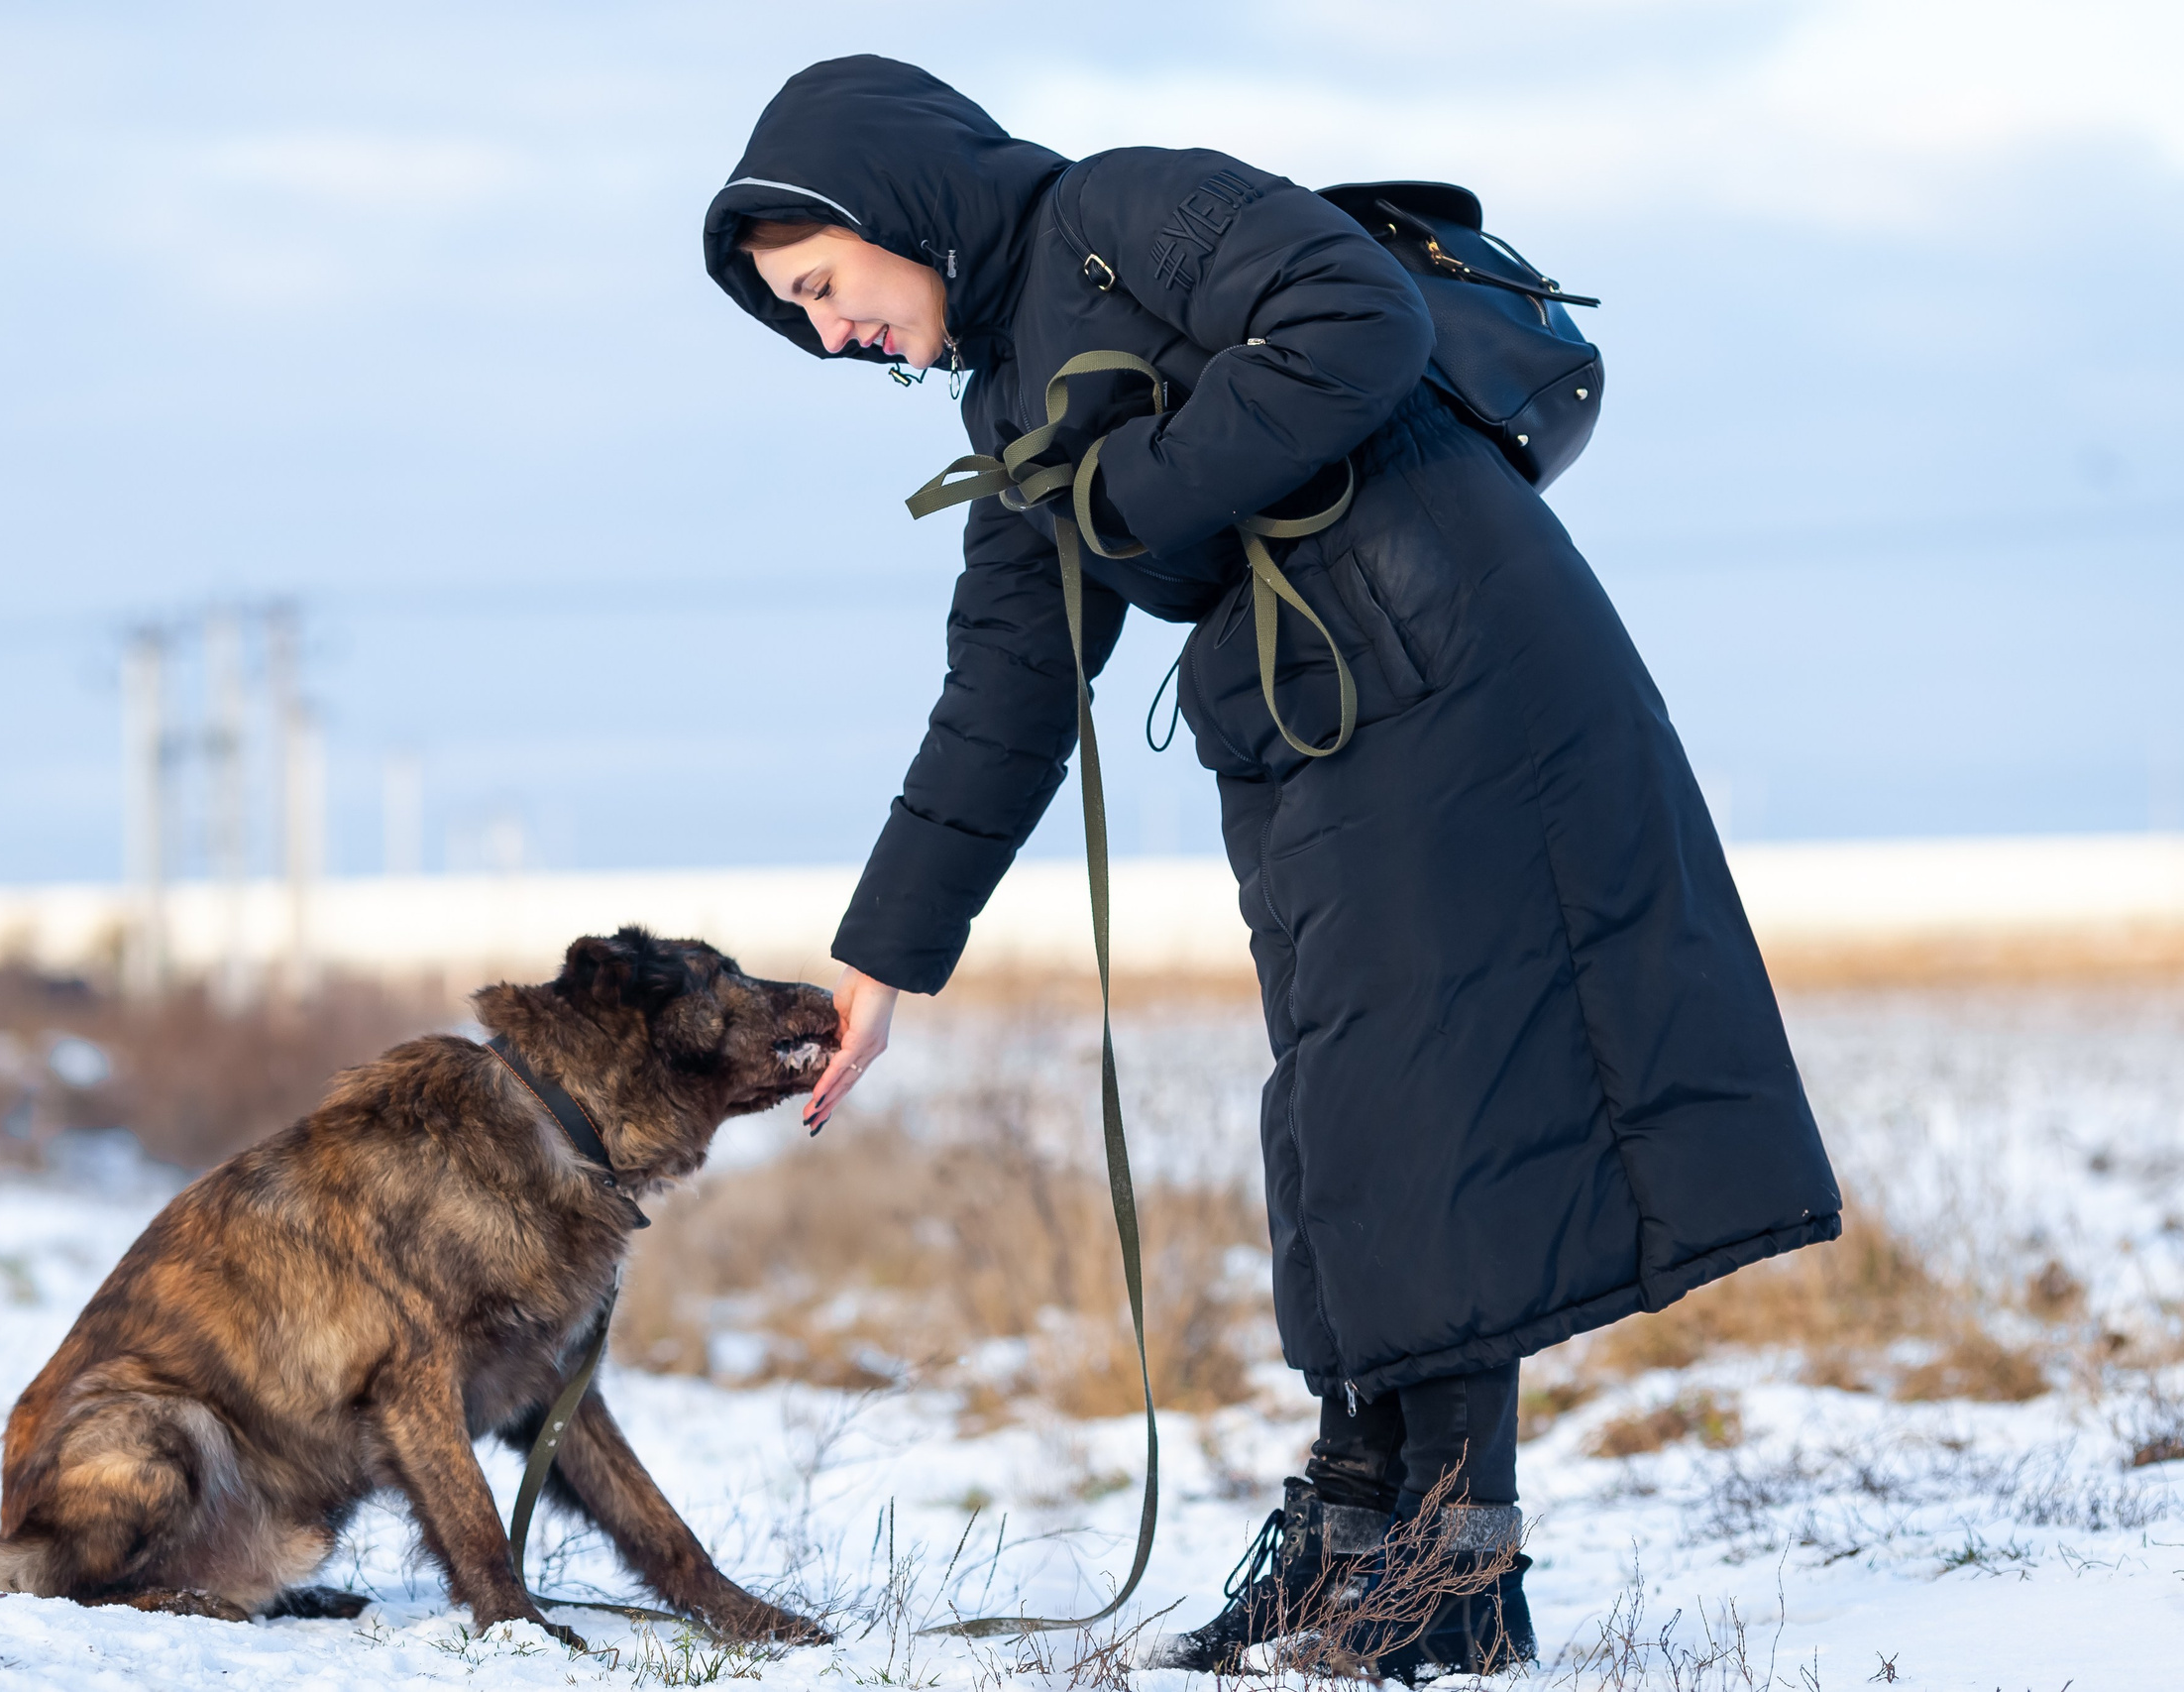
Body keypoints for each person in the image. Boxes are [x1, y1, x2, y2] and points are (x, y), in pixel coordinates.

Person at [703, 56, 1841, 1679]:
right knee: (1342, 1129)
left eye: (824, 288)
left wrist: (1122, 498)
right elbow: (1008, 688)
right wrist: (883, 960)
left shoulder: (1117, 208)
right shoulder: (1007, 398)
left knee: (1423, 1117)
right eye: (798, 318)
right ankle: (1361, 1534)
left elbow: (1357, 313)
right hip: (1321, 723)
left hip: (1454, 673)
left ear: (894, 208)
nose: (830, 337)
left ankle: (1448, 1572)